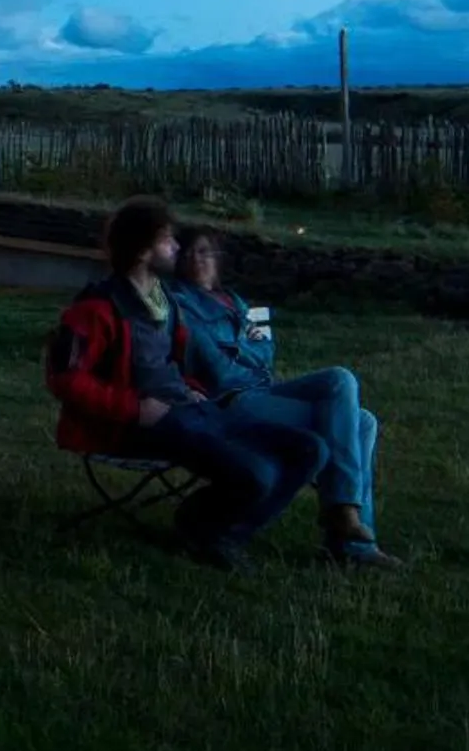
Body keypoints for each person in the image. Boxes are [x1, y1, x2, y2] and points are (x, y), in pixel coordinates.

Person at [45, 196, 327, 571]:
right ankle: (206, 529)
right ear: (144, 251)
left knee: (310, 449)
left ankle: (220, 532)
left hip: (190, 407)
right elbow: (64, 379)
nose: (176, 248)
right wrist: (135, 408)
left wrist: (192, 385)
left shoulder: (163, 301)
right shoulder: (98, 308)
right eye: (167, 240)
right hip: (139, 423)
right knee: (258, 474)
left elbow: (178, 359)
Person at [171, 230, 400, 569]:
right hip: (230, 400)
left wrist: (241, 351)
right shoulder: (181, 302)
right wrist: (245, 352)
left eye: (204, 252)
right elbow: (216, 369)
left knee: (344, 386)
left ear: (218, 261)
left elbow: (265, 353)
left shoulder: (240, 303)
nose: (196, 259)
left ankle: (345, 524)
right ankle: (347, 532)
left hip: (261, 387)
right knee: (359, 424)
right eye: (189, 253)